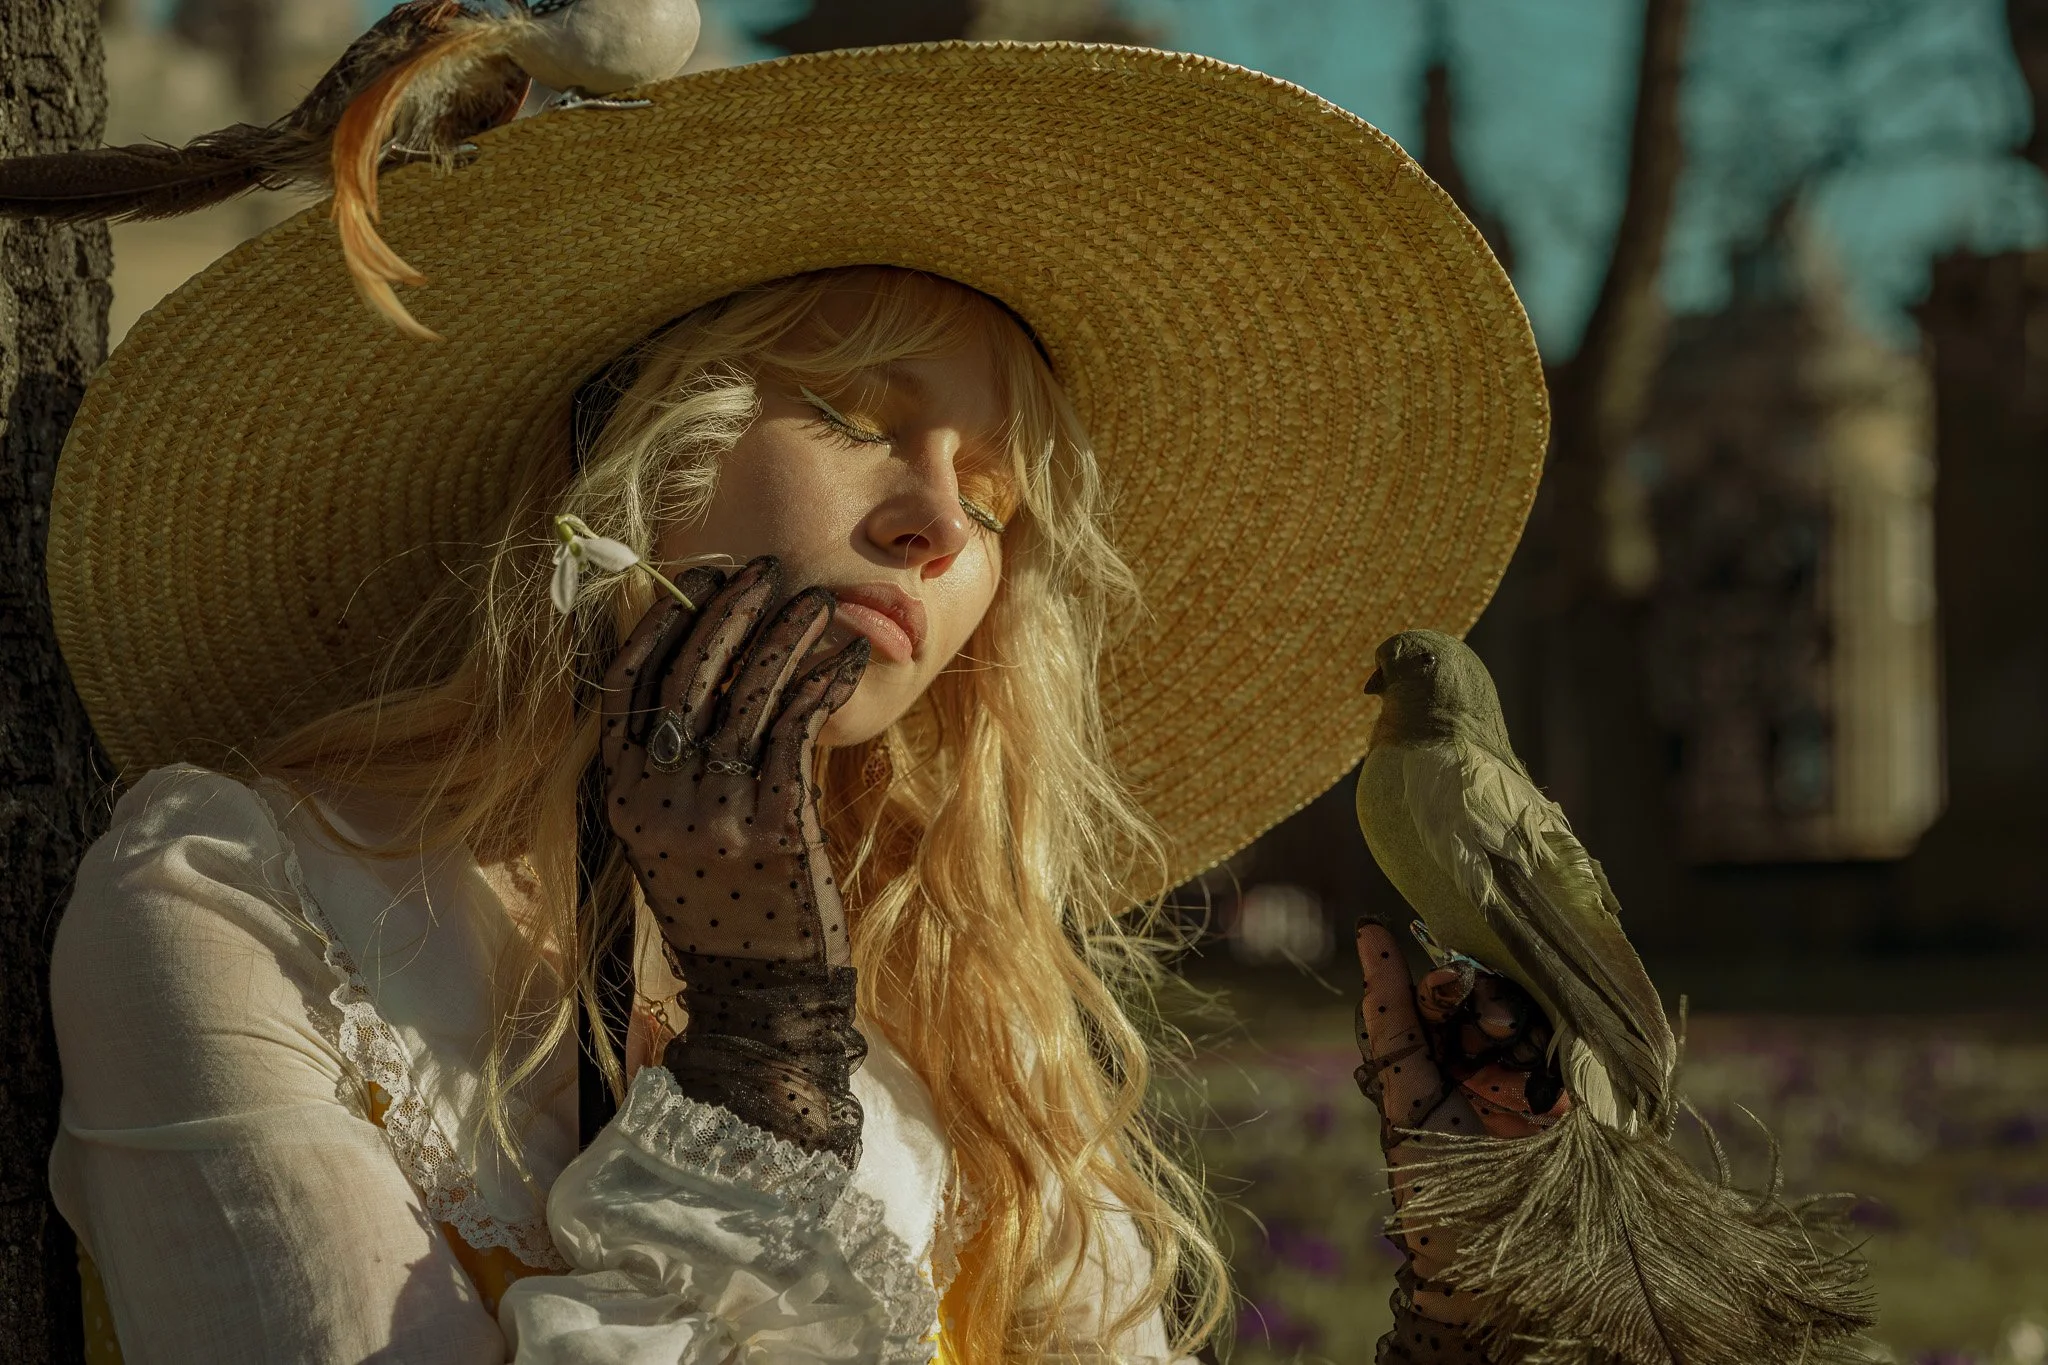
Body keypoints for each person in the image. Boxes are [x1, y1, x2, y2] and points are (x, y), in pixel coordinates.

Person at [38, 38, 1548, 1365]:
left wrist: (1467, 1308)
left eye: (1001, 504)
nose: (939, 530)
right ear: (610, 439)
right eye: (851, 416)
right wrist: (760, 1070)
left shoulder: (961, 1020)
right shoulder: (243, 904)